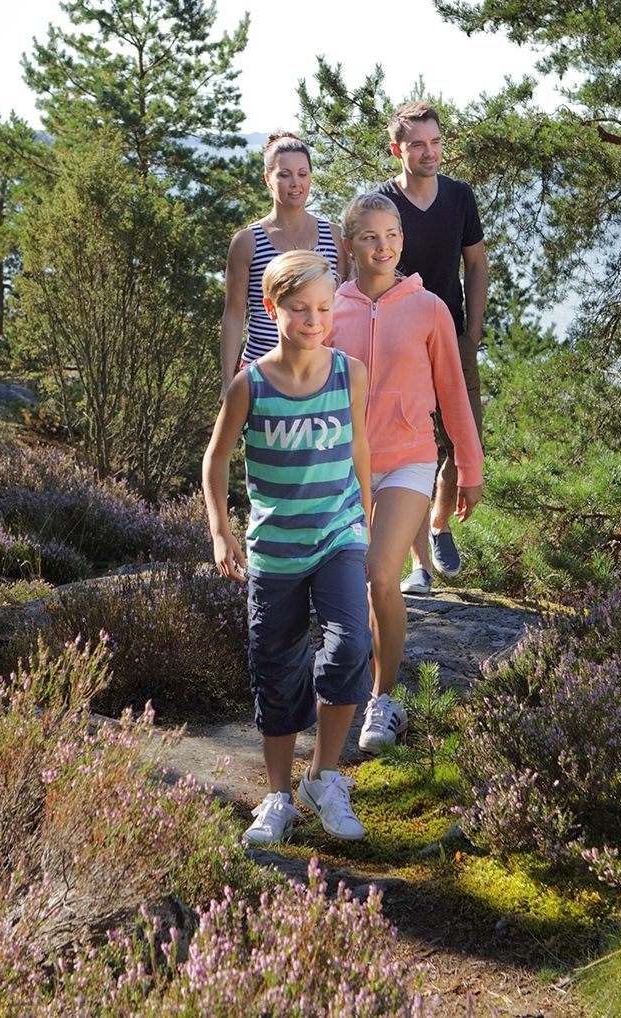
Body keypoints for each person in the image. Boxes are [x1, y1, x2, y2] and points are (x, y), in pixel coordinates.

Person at [203, 249, 373, 845]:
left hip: (339, 535)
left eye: (324, 308)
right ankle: (278, 796)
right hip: (274, 550)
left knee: (351, 646)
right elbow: (216, 459)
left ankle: (324, 778)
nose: (314, 320)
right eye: (300, 309)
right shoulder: (249, 386)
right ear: (272, 308)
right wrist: (222, 530)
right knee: (275, 669)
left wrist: (367, 523)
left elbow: (360, 454)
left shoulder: (351, 373)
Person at [329, 193, 482, 754]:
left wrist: (469, 465)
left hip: (411, 459)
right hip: (343, 466)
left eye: (391, 234)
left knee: (379, 573)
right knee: (345, 587)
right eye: (369, 236)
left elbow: (454, 393)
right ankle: (349, 681)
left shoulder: (429, 309)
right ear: (349, 244)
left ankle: (382, 701)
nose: (383, 245)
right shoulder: (332, 310)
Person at [378, 101, 487, 594]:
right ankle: (418, 564)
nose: (429, 152)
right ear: (397, 149)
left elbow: (477, 266)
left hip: (453, 339)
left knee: (466, 443)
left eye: (436, 142)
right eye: (418, 144)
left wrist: (472, 334)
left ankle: (440, 524)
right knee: (409, 449)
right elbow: (358, 267)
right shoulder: (382, 203)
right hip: (401, 345)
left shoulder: (460, 197)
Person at [220, 132, 348, 393]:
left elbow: (343, 306)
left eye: (303, 173)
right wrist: (227, 382)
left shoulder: (334, 236)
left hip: (320, 373)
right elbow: (234, 314)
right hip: (261, 372)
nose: (295, 183)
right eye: (284, 174)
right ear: (268, 179)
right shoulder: (247, 241)